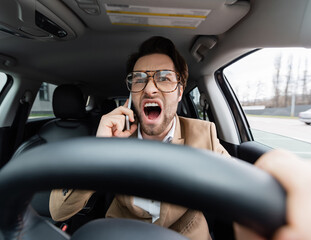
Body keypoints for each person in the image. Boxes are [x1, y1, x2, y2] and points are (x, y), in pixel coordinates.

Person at [50, 36, 229, 239]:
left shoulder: (204, 134)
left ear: (179, 91)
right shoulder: (114, 138)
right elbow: (58, 211)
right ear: (131, 94)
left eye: (164, 78)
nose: (150, 89)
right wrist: (99, 150)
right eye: (139, 79)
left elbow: (239, 191)